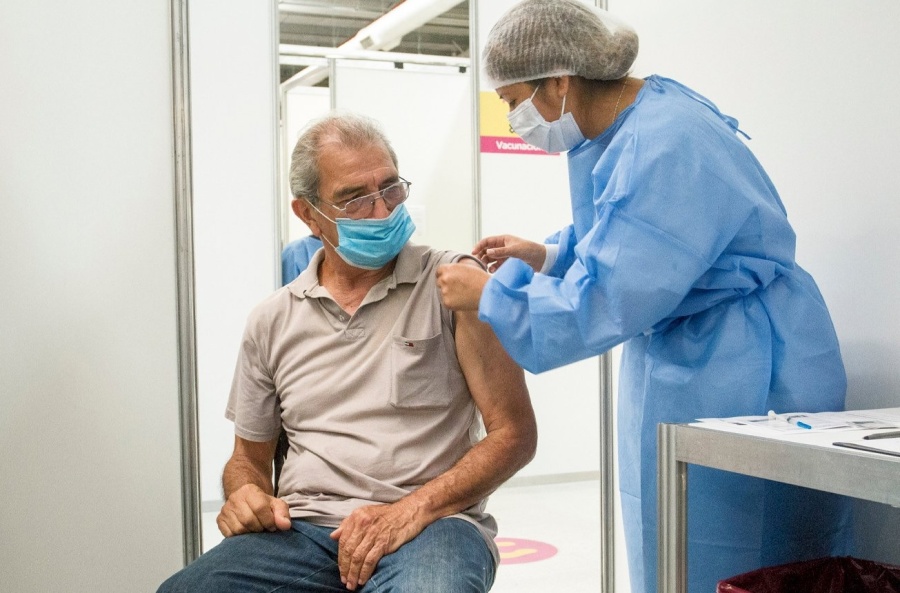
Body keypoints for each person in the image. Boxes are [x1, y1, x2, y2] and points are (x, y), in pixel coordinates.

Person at [435, 1, 852, 592]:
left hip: (749, 364)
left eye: (512, 101)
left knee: (748, 549)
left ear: (558, 81)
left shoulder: (665, 141)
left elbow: (610, 293)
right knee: (674, 538)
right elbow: (623, 235)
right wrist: (548, 255)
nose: (511, 121)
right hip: (692, 350)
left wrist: (492, 296)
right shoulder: (627, 123)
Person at [158, 112, 537, 593]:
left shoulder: (452, 285)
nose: (381, 212)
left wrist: (411, 510)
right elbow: (247, 459)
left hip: (433, 524)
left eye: (390, 189)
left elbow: (515, 435)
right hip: (304, 532)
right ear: (308, 214)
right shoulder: (272, 321)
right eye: (355, 199)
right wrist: (245, 493)